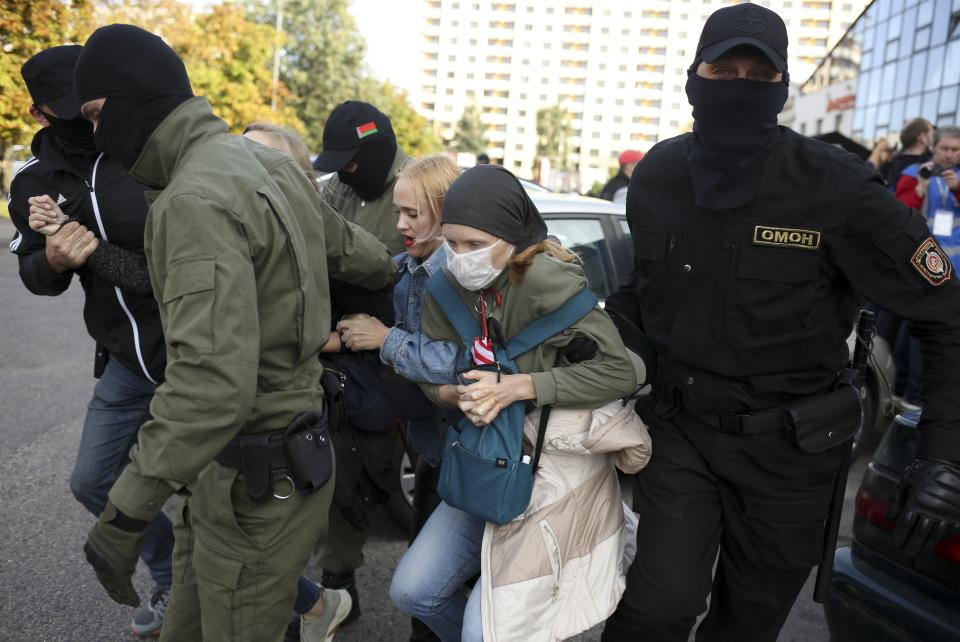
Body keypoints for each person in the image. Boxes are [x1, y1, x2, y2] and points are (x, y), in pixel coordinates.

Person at [601, 5, 960, 642]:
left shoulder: (839, 188)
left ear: (784, 88)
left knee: (746, 627)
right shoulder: (657, 175)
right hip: (683, 431)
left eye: (757, 76)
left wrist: (943, 459)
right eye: (723, 69)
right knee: (657, 609)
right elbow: (640, 295)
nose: (737, 85)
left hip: (793, 454)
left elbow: (947, 315)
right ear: (694, 77)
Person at [73, 24, 393, 642]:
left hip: (255, 481)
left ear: (135, 99)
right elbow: (366, 256)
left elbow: (211, 385)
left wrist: (123, 516)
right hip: (264, 470)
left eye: (95, 114)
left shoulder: (192, 199)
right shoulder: (267, 163)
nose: (94, 134)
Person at [388, 164, 647, 641]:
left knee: (486, 631)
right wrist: (454, 393)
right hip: (483, 459)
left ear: (512, 239)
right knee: (411, 591)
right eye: (453, 243)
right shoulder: (446, 290)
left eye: (475, 244)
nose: (461, 257)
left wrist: (517, 387)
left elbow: (623, 371)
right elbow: (435, 377)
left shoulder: (548, 282)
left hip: (550, 469)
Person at [8, 45, 175, 637]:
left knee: (223, 496)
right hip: (125, 361)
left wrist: (101, 252)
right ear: (39, 114)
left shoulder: (144, 150)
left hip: (192, 352)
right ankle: (172, 576)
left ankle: (292, 596)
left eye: (91, 105)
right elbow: (33, 275)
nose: (84, 118)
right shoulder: (34, 183)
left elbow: (176, 260)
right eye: (67, 109)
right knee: (93, 481)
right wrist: (52, 258)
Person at [337, 154, 463, 642]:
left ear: (445, 209)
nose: (401, 225)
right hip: (433, 448)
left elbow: (461, 364)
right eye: (397, 213)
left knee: (437, 584)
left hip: (467, 451)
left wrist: (384, 339)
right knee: (425, 583)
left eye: (413, 214)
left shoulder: (461, 274)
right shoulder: (407, 267)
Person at [314, 101, 409, 255]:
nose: (343, 177)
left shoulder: (420, 188)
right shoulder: (336, 187)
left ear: (377, 156)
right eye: (338, 167)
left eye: (349, 165)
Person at [885, 117, 934, 188]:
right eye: (932, 134)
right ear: (922, 137)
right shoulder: (927, 161)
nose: (934, 137)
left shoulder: (897, 160)